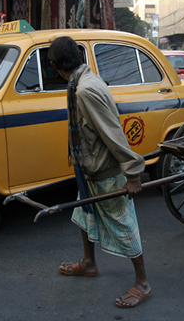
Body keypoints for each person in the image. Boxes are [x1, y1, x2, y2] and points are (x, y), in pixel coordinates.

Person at [48, 36, 152, 309]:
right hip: (89, 167)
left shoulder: (85, 90)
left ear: (54, 66)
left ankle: (142, 283)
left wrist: (132, 174)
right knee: (85, 213)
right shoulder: (84, 81)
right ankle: (89, 263)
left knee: (122, 223)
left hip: (104, 170)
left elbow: (113, 133)